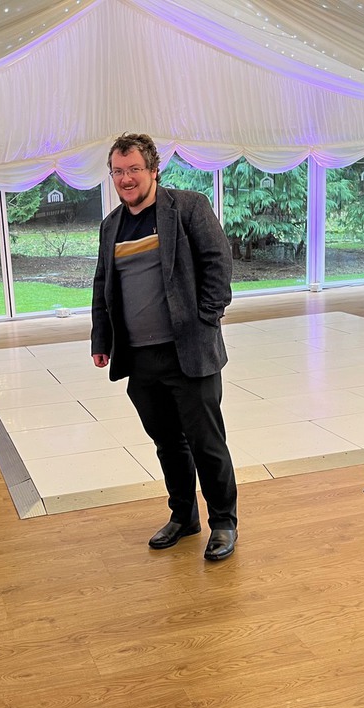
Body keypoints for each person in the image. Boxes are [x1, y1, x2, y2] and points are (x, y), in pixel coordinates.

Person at [91, 133, 238, 561]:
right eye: (118, 171)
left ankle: (224, 522)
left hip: (188, 352)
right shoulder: (111, 225)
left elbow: (218, 262)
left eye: (134, 169)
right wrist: (102, 339)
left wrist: (205, 319)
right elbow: (103, 285)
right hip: (139, 357)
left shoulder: (188, 207)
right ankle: (184, 516)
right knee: (167, 442)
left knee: (206, 442)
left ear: (154, 170)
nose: (126, 178)